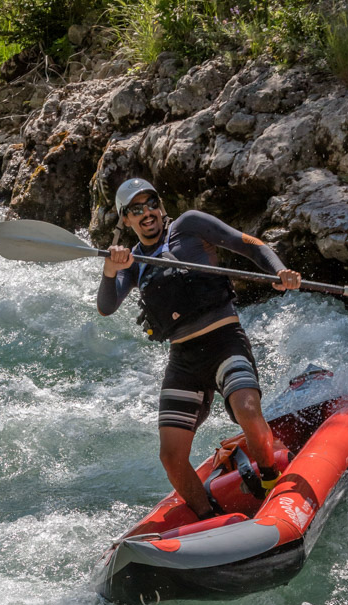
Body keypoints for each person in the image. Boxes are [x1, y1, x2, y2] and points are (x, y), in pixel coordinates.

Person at [97, 177, 301, 520]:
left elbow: (248, 244)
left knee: (248, 410)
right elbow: (106, 305)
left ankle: (269, 480)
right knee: (171, 455)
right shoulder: (131, 262)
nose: (146, 212)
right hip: (184, 360)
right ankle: (209, 517)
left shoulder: (190, 225)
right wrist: (109, 270)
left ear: (160, 207)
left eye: (151, 203)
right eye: (136, 209)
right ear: (126, 219)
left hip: (224, 340)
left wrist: (279, 271)